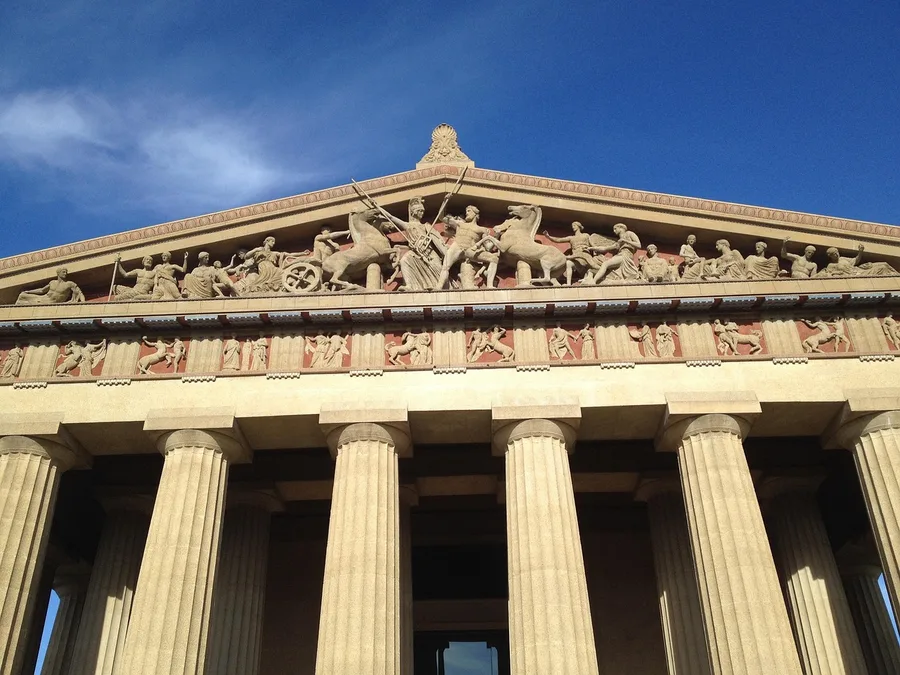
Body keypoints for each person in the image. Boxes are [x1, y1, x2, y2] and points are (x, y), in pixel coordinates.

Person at [438, 204, 499, 289]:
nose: (466, 213)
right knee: (445, 267)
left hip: (470, 250)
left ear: (475, 214)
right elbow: (441, 218)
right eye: (466, 211)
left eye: (469, 211)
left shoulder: (481, 229)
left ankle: (489, 286)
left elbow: (488, 247)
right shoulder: (459, 224)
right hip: (457, 246)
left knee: (494, 259)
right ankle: (438, 287)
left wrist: (496, 236)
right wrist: (444, 202)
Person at [16, 268, 85, 305]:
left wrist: (83, 303)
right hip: (43, 299)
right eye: (63, 272)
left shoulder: (69, 284)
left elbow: (79, 293)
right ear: (58, 273)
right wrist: (28, 291)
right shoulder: (52, 282)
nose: (65, 274)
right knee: (22, 296)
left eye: (66, 272)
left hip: (52, 304)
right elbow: (42, 290)